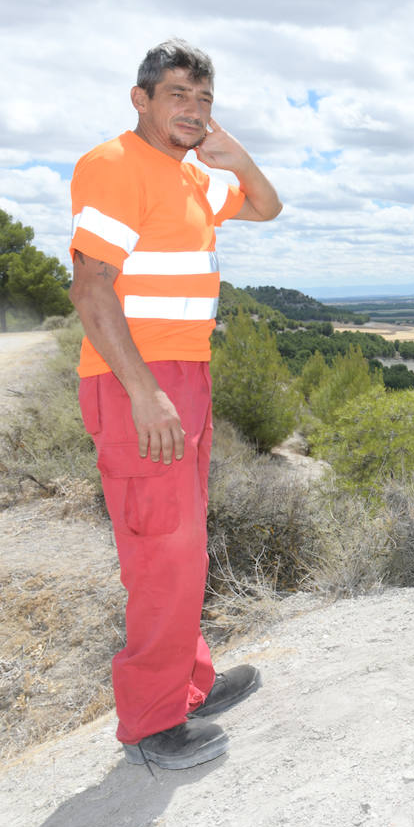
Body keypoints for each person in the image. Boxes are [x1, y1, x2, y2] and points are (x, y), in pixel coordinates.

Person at [68, 39, 282, 770]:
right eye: (179, 96)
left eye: (205, 100)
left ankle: (189, 682)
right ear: (142, 99)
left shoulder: (190, 175)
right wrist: (143, 390)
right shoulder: (116, 166)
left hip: (186, 377)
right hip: (139, 383)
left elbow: (266, 204)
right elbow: (91, 287)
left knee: (184, 544)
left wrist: (231, 150)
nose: (193, 110)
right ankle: (152, 723)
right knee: (161, 550)